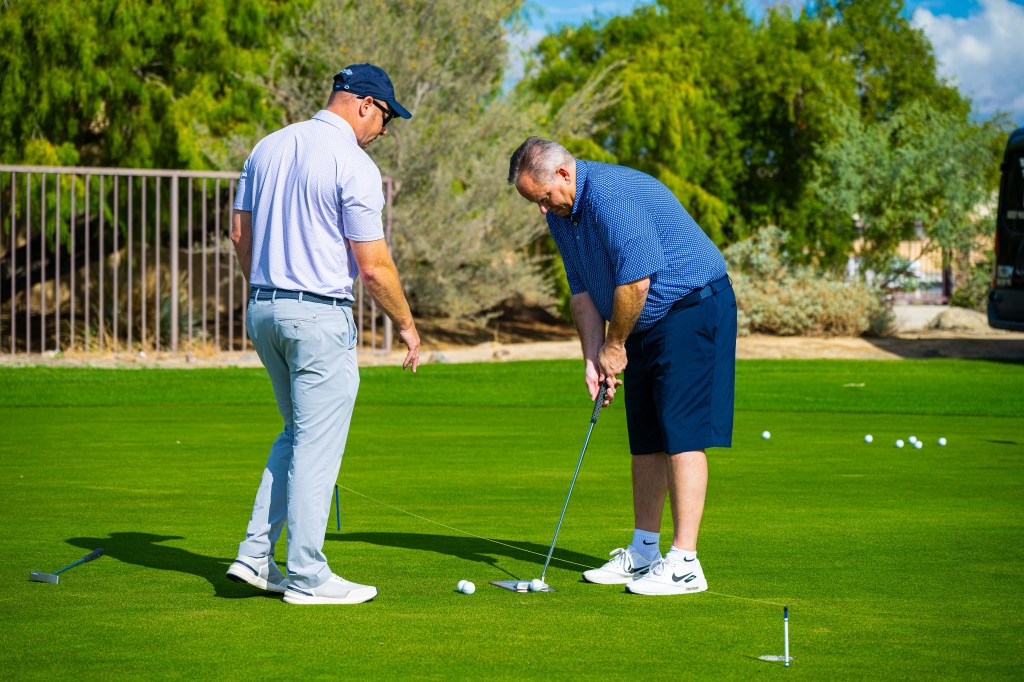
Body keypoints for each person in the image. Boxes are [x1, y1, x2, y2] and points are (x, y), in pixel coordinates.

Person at [507, 137, 736, 595]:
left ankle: (686, 563)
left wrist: (615, 345)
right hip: (646, 318)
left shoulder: (612, 195)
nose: (543, 210)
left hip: (691, 307)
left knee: (681, 432)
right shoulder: (563, 215)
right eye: (535, 203)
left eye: (544, 197)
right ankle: (645, 551)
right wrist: (593, 356)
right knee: (646, 435)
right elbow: (583, 292)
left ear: (564, 175)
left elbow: (635, 280)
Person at [227, 63, 420, 605]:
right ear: (363, 104)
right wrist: (406, 325)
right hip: (317, 317)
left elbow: (239, 233)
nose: (384, 130)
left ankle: (254, 556)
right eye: (385, 117)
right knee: (315, 445)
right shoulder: (353, 165)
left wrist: (268, 290)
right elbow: (375, 266)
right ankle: (308, 575)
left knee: (295, 435)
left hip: (263, 310)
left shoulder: (265, 147)